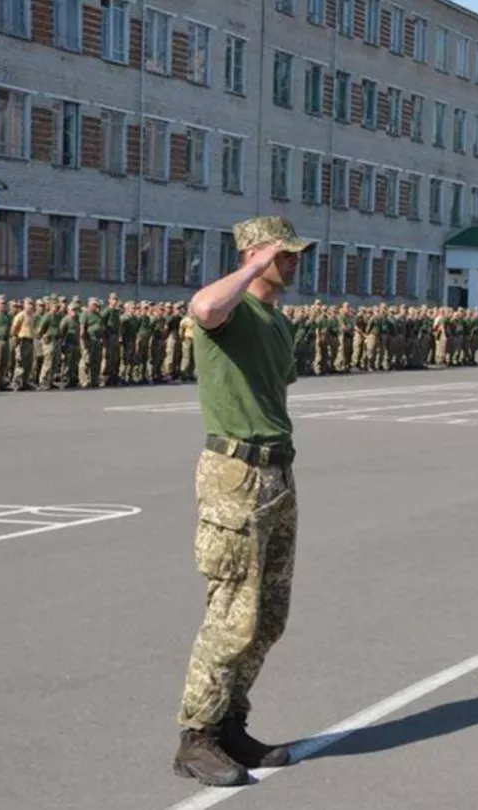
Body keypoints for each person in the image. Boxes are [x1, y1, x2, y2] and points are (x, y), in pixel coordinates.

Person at [172, 216, 307, 787]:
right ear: (254, 253)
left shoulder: (276, 322)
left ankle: (229, 723)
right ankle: (195, 737)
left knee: (269, 618)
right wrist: (252, 265)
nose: (294, 262)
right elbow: (202, 309)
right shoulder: (227, 312)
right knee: (231, 615)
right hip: (235, 477)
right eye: (285, 254)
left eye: (296, 254)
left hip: (277, 473)